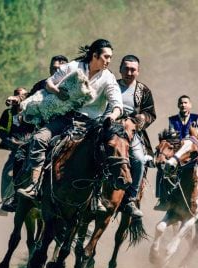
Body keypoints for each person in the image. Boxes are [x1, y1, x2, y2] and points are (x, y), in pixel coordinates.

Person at [16, 39, 123, 201]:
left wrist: (112, 116)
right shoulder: (73, 67)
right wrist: (56, 91)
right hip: (64, 118)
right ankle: (34, 185)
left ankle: (98, 196)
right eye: (106, 57)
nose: (108, 61)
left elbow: (117, 104)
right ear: (95, 55)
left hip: (90, 125)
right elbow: (49, 82)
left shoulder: (108, 78)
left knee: (106, 150)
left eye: (110, 57)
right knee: (39, 138)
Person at [117, 54, 156, 218]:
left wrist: (143, 118)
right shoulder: (111, 85)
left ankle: (131, 198)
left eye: (133, 69)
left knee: (139, 159)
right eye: (126, 68)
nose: (129, 72)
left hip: (132, 132)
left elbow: (151, 114)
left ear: (138, 72)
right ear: (120, 69)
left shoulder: (143, 90)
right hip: (110, 128)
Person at [154, 95, 198, 210]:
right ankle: (163, 198)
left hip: (192, 151)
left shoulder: (197, 118)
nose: (183, 105)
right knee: (161, 166)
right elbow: (171, 138)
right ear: (178, 105)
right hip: (177, 150)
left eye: (185, 103)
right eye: (181, 103)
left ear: (190, 105)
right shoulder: (172, 119)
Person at [0, 87, 34, 213]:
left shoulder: (33, 111)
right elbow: (1, 131)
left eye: (23, 95)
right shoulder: (8, 113)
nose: (20, 97)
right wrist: (11, 142)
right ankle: (6, 201)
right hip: (17, 148)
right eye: (17, 95)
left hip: (34, 146)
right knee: (7, 172)